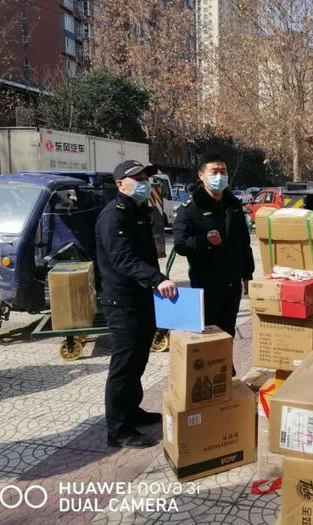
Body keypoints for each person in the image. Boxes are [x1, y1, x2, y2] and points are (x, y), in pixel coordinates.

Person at [96, 160, 178, 449]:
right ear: (120, 184)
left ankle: (132, 410)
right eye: (138, 179)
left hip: (142, 298)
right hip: (123, 302)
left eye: (146, 178)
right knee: (125, 364)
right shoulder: (114, 216)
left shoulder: (140, 210)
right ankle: (118, 429)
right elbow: (123, 259)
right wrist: (157, 279)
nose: (144, 183)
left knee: (138, 360)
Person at [173, 153, 254, 341]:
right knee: (208, 337)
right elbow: (180, 244)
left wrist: (247, 274)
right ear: (201, 175)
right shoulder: (190, 209)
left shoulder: (233, 206)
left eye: (223, 171)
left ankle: (225, 361)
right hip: (206, 285)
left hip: (232, 284)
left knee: (228, 335)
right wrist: (204, 241)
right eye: (214, 172)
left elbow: (244, 242)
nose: (219, 176)